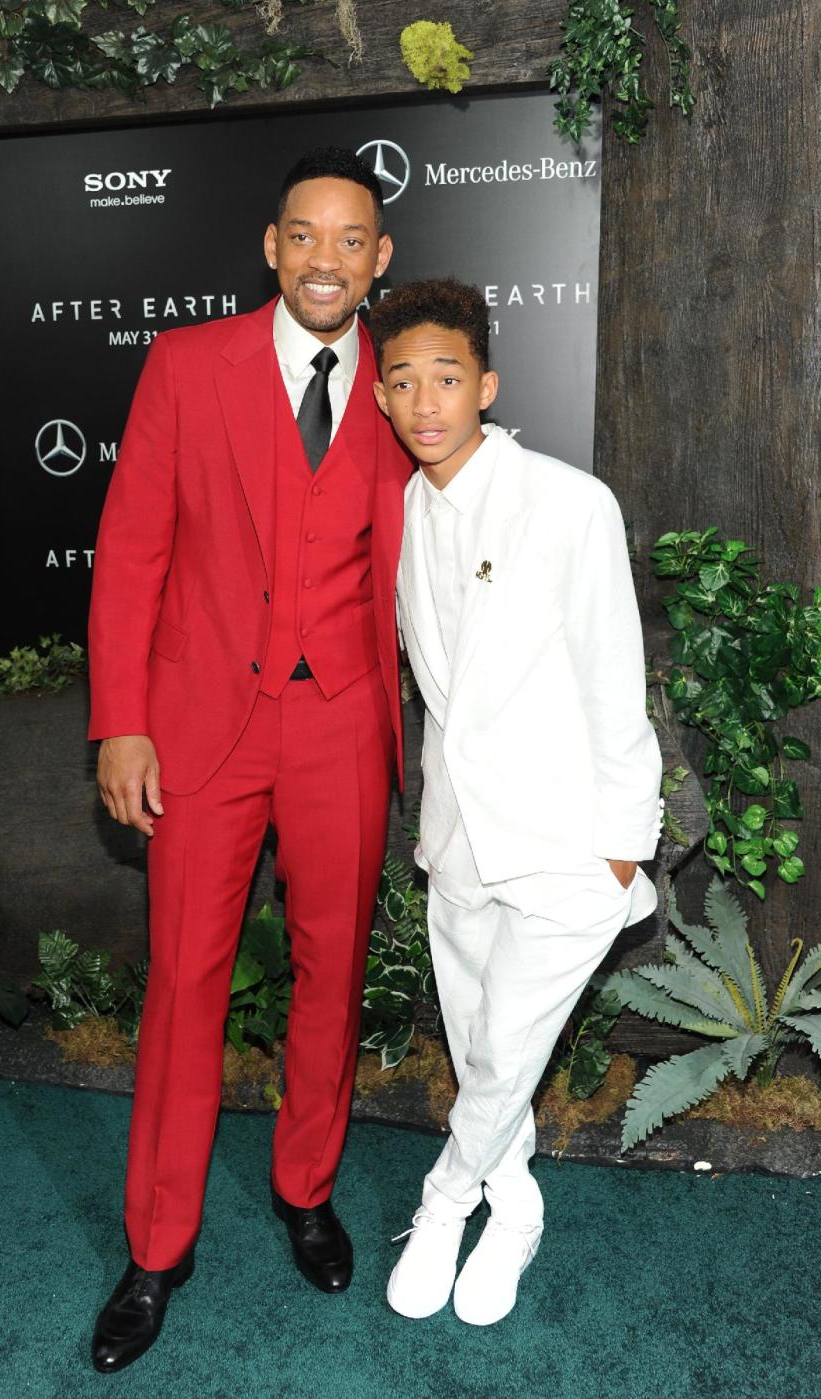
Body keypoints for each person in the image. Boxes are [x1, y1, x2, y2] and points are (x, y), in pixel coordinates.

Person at [86, 147, 411, 1373]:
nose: (326, 258)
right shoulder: (187, 364)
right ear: (270, 248)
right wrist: (122, 717)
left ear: (377, 261)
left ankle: (306, 1186)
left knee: (330, 973)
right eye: (304, 236)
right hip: (203, 729)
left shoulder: (405, 384)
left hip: (343, 727)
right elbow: (130, 553)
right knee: (185, 983)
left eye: (351, 239)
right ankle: (155, 1247)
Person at [371, 278, 663, 1327]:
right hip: (456, 844)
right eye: (401, 382)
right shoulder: (398, 512)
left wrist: (622, 849)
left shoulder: (569, 502)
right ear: (382, 400)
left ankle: (445, 1201)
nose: (425, 401)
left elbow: (612, 681)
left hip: (568, 847)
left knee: (503, 1050)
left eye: (445, 376)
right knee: (483, 1044)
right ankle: (517, 1200)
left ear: (485, 384)